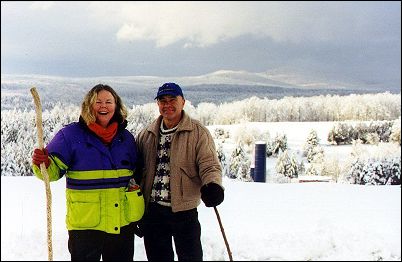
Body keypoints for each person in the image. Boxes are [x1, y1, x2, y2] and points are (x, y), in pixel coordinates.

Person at [31, 84, 144, 261]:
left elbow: (137, 175)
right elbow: (51, 172)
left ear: (117, 105)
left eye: (109, 101)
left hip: (121, 223)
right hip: (85, 225)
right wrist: (43, 163)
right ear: (88, 106)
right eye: (98, 102)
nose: (104, 106)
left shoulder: (126, 138)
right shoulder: (70, 135)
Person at [136, 82, 224, 261]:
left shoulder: (198, 132)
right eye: (163, 101)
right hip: (153, 212)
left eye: (172, 100)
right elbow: (136, 170)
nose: (167, 105)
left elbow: (209, 165)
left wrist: (213, 185)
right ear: (158, 104)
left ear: (183, 101)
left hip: (184, 211)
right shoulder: (147, 134)